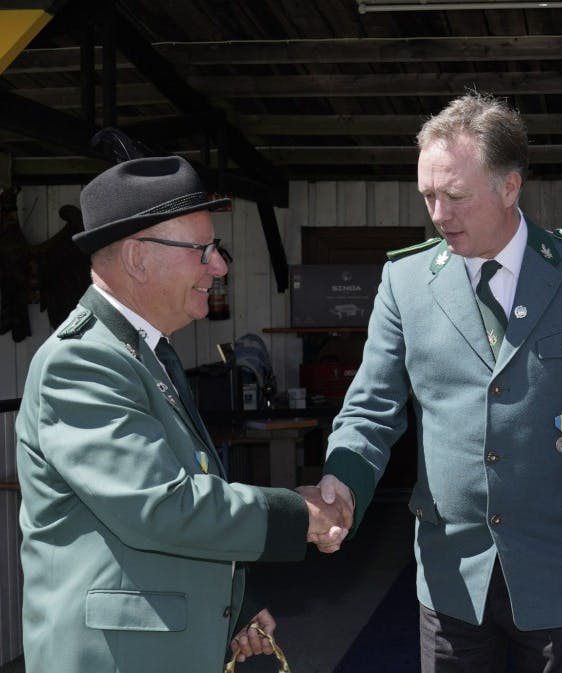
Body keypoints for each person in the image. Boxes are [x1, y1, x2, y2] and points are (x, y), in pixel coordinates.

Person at [316, 92, 562, 672]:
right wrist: (343, 481)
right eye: (428, 196)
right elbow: (371, 407)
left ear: (510, 187)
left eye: (455, 196)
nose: (438, 214)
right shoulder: (405, 281)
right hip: (451, 576)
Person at [15, 154, 351, 673]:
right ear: (137, 258)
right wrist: (299, 514)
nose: (219, 267)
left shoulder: (143, 352)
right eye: (204, 251)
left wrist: (231, 605)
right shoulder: (82, 362)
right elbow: (161, 505)